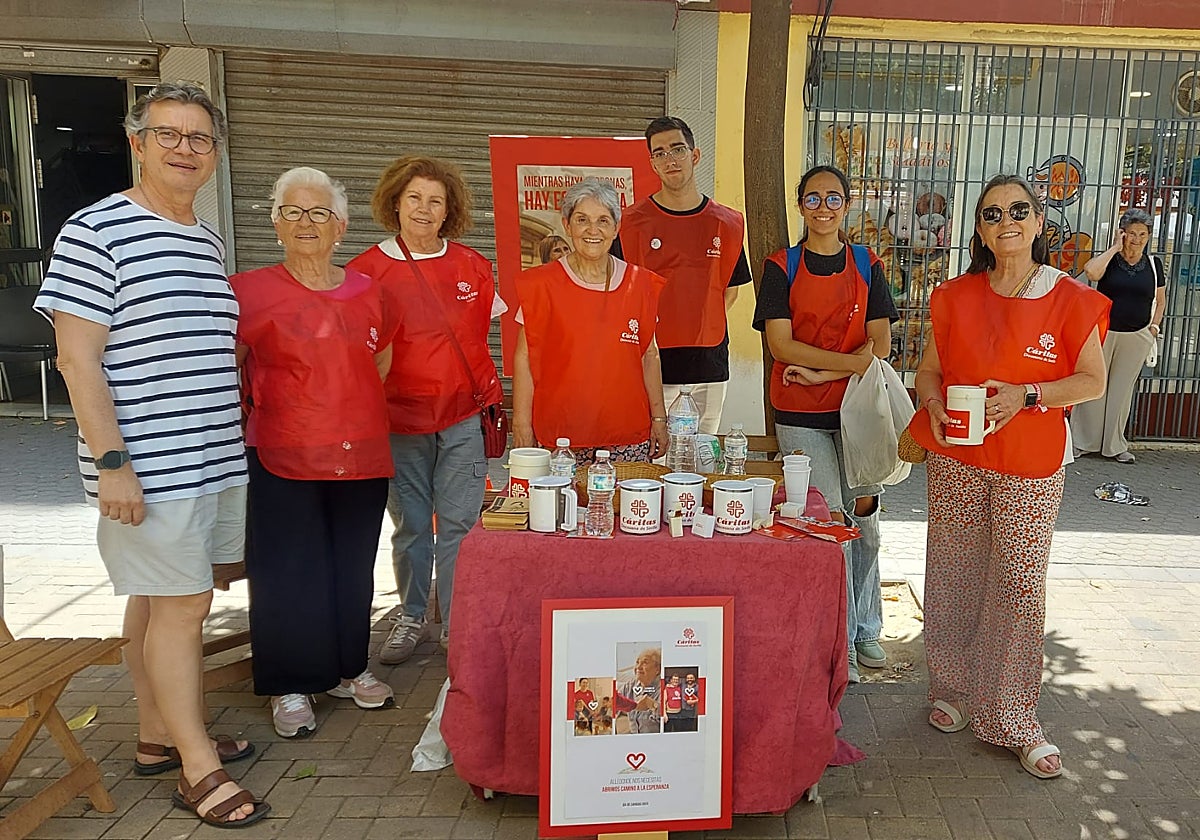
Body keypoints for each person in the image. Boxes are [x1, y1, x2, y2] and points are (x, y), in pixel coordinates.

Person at [34, 82, 269, 827]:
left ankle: (157, 734)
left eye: (199, 138)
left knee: (156, 601)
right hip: (149, 466)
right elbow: (77, 360)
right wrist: (113, 466)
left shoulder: (204, 238)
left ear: (215, 153)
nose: (184, 149)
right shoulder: (96, 230)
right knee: (183, 608)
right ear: (138, 142)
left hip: (211, 457)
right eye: (168, 133)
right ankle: (198, 770)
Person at [909, 174, 1108, 780]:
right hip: (958, 458)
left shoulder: (1070, 297)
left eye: (1019, 210)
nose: (1007, 222)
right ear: (979, 229)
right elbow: (929, 371)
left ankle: (1013, 715)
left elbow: (1092, 380)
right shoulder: (954, 296)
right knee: (953, 572)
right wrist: (933, 402)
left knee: (1018, 584)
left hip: (1030, 464)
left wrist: (1029, 395)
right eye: (992, 214)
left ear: (1040, 221)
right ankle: (952, 687)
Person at [231, 167, 396, 738]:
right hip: (282, 452)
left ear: (340, 226)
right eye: (293, 211)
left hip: (361, 452)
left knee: (352, 565)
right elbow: (229, 369)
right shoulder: (246, 291)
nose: (307, 222)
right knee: (287, 570)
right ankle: (291, 684)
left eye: (319, 212)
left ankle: (349, 668)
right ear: (276, 223)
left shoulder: (369, 291)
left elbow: (379, 362)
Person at [349, 156, 505, 665]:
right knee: (412, 525)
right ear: (395, 203)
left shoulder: (473, 266)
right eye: (414, 198)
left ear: (449, 210)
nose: (424, 209)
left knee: (460, 524)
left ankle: (457, 624)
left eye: (435, 201)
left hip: (463, 416)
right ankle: (412, 616)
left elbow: (489, 334)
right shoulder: (365, 272)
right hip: (399, 421)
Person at [751, 164, 898, 684]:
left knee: (866, 520)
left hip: (859, 413)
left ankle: (866, 627)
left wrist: (822, 372)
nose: (823, 207)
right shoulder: (781, 267)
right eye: (812, 198)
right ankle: (838, 641)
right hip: (801, 414)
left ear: (847, 204)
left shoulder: (867, 264)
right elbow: (780, 345)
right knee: (829, 522)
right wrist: (844, 365)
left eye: (833, 197)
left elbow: (882, 344)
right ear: (800, 206)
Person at [512, 177, 669, 463]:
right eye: (582, 220)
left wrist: (659, 418)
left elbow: (649, 355)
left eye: (603, 221)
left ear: (616, 228)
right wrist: (522, 423)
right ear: (567, 225)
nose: (592, 230)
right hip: (561, 439)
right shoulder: (542, 285)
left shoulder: (640, 284)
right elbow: (524, 357)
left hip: (627, 437)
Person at [615, 116, 753, 434]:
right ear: (652, 163)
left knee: (702, 455)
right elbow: (619, 294)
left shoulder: (727, 223)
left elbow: (730, 289)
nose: (670, 159)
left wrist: (699, 322)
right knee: (652, 454)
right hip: (650, 359)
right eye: (660, 153)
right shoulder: (630, 223)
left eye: (677, 149)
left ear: (695, 155)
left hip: (708, 363)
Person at [1071, 208, 1166, 463]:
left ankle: (1114, 446)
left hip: (1137, 335)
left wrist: (1154, 328)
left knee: (1121, 392)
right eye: (1132, 233)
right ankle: (1083, 442)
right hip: (1103, 333)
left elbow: (1161, 301)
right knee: (1094, 386)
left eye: (1142, 234)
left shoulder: (1154, 265)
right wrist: (1115, 247)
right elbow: (1091, 272)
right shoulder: (1110, 260)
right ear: (1122, 233)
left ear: (1149, 236)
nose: (1137, 239)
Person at [614, 647, 662, 734]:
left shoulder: (663, 689)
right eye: (637, 662)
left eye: (645, 663)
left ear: (657, 669)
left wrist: (654, 706)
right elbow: (615, 702)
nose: (638, 667)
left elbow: (670, 720)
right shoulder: (629, 686)